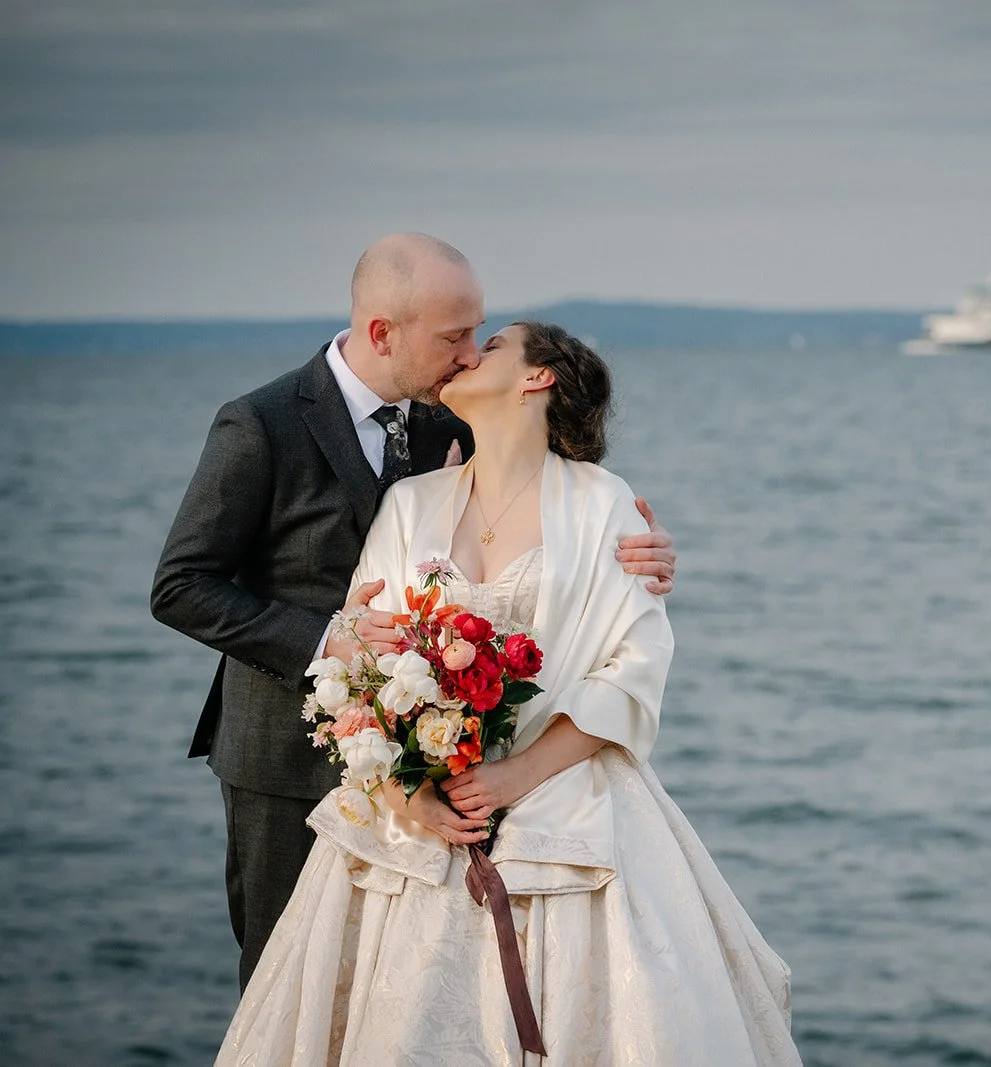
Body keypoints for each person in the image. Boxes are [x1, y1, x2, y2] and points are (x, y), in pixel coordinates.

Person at [215, 320, 799, 1065]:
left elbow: (635, 662)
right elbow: (365, 645)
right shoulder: (411, 503)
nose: (467, 353)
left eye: (492, 346)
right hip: (419, 816)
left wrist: (515, 775)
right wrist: (406, 791)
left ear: (538, 377)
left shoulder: (603, 504)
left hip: (562, 792)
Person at [151, 234, 677, 990]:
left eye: (478, 335)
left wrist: (649, 555)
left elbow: (550, 515)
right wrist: (332, 640)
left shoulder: (449, 419)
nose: (467, 354)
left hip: (454, 762)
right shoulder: (260, 425)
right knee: (286, 984)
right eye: (454, 336)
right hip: (284, 757)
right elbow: (180, 585)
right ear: (382, 333)